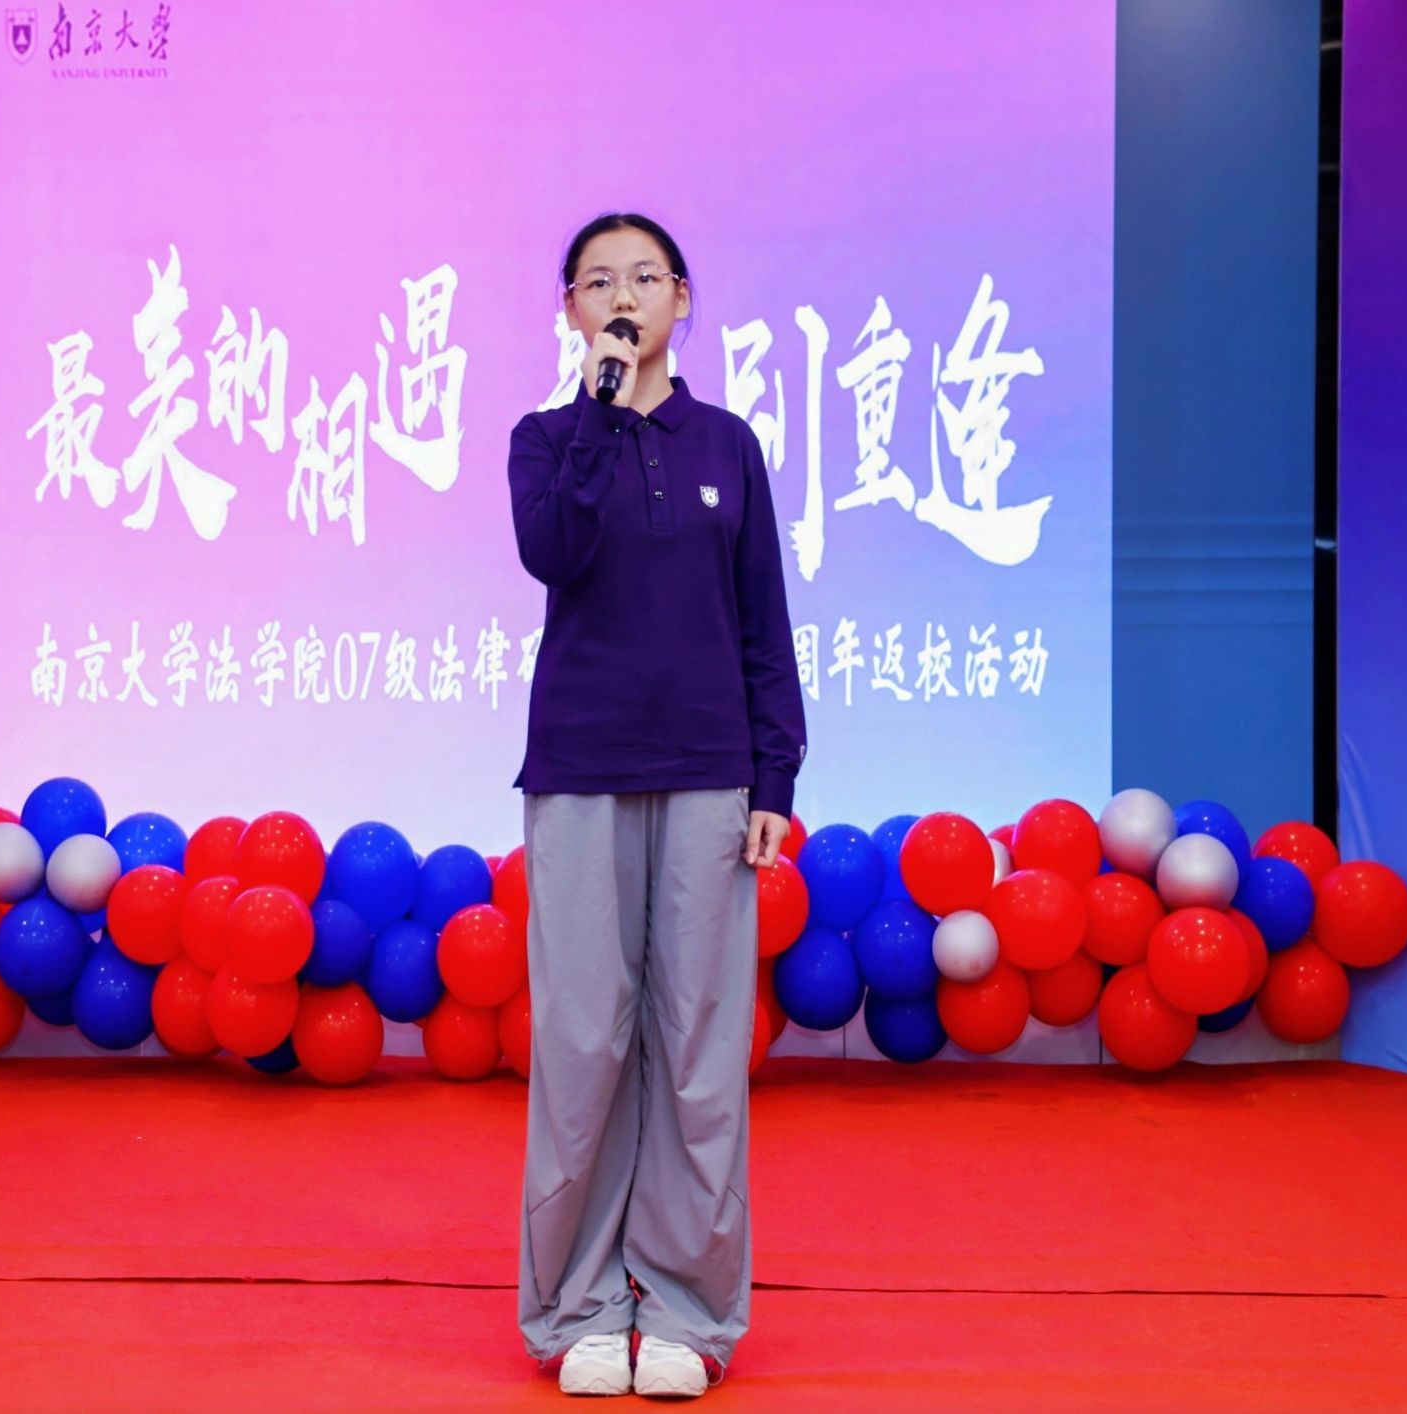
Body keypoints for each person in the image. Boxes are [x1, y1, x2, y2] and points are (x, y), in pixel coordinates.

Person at [506, 212, 807, 1399]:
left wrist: (775, 774)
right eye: (598, 282)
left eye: (643, 277)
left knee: (695, 1052)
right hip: (578, 768)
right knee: (583, 1044)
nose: (622, 296)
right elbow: (552, 552)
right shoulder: (545, 439)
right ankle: (575, 1306)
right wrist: (599, 407)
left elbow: (761, 618)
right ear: (571, 312)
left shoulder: (726, 444)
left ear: (683, 298)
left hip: (707, 770)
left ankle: (685, 1308)